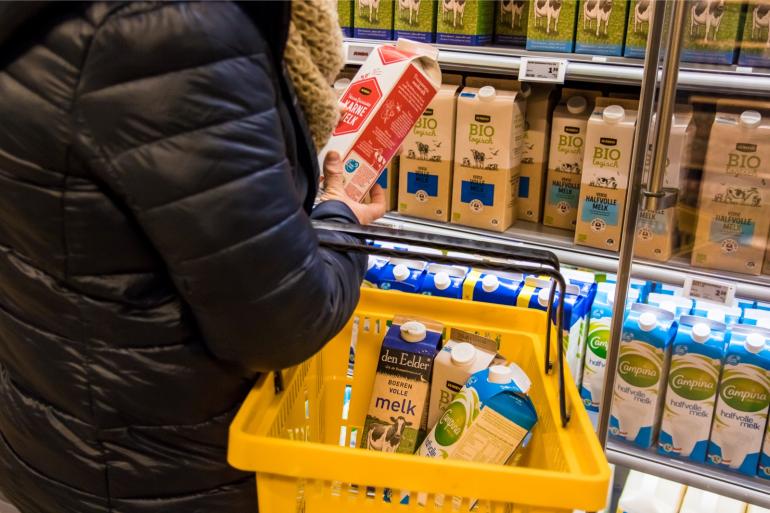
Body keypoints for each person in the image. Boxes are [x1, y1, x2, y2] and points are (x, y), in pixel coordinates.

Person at [0, 2, 385, 512]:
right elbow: (282, 320)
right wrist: (341, 219)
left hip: (58, 431)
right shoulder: (174, 33)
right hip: (163, 469)